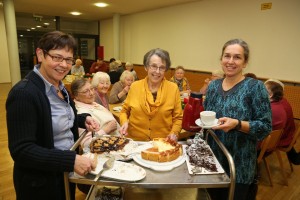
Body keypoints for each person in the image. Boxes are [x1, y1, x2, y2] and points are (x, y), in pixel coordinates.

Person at [6, 31, 100, 200]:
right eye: (57, 57)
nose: (63, 65)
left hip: (63, 174)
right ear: (40, 54)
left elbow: (56, 117)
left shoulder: (59, 86)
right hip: (41, 183)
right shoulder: (24, 94)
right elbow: (22, 150)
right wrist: (70, 161)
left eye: (68, 59)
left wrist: (81, 119)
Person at [204, 39, 272, 200]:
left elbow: (265, 127)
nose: (230, 61)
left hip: (240, 165)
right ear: (221, 59)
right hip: (212, 162)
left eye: (237, 57)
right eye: (227, 56)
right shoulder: (213, 86)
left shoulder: (255, 87)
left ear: (245, 62)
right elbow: (207, 119)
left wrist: (238, 124)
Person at [119, 48, 182, 141]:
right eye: (153, 66)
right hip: (135, 143)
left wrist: (174, 133)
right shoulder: (135, 86)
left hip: (162, 143)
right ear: (146, 67)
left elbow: (178, 118)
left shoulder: (173, 88)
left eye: (162, 67)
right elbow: (124, 111)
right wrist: (124, 122)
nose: (157, 71)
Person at [71, 78, 119, 148]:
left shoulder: (92, 103)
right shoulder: (80, 114)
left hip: (116, 144)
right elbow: (86, 144)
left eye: (92, 89)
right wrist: (106, 130)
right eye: (85, 91)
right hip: (105, 151)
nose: (91, 93)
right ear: (76, 96)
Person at [264, 79, 300, 164]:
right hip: (288, 134)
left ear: (271, 95)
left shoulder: (273, 109)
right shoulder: (283, 101)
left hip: (281, 138)